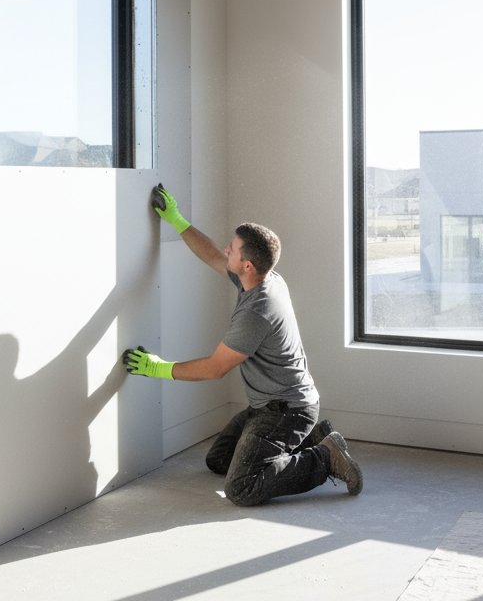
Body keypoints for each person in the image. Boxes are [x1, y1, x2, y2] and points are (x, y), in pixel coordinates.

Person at [122, 184, 363, 506]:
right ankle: (315, 438)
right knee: (219, 461)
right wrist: (178, 220)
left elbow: (215, 368)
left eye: (233, 249)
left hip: (286, 410)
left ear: (247, 265)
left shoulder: (257, 312)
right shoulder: (264, 276)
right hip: (267, 404)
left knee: (242, 488)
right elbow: (211, 254)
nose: (226, 250)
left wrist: (158, 369)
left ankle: (325, 458)